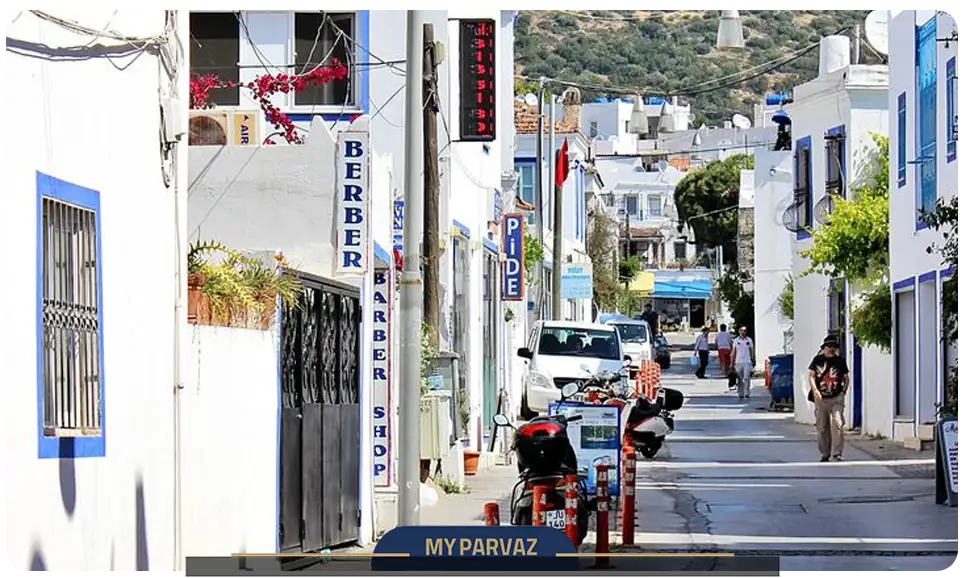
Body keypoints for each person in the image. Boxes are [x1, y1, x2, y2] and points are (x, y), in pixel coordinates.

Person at [808, 334, 850, 462]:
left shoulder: (840, 361)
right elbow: (811, 375)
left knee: (838, 423)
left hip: (836, 397)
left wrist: (843, 391)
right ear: (824, 348)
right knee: (822, 427)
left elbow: (846, 377)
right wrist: (815, 390)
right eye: (829, 346)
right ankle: (825, 453)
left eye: (834, 347)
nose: (832, 349)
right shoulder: (817, 360)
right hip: (821, 399)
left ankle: (837, 453)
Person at [732, 326, 755, 399]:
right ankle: (740, 393)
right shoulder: (736, 340)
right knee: (739, 378)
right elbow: (734, 351)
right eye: (742, 330)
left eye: (744, 330)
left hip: (747, 361)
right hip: (738, 362)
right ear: (739, 331)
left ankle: (747, 393)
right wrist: (732, 362)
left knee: (746, 378)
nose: (743, 332)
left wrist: (753, 359)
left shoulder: (749, 340)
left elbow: (752, 350)